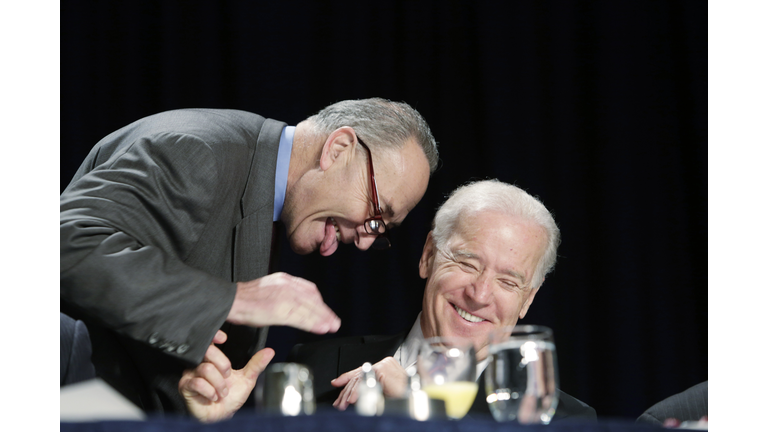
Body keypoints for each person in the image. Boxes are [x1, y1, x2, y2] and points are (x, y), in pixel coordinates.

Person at [60, 98, 439, 416]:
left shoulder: (259, 187)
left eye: (382, 230)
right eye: (377, 212)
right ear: (338, 149)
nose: (365, 241)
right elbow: (64, 243)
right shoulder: (201, 152)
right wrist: (234, 299)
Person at [181, 180, 595, 422]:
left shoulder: (565, 420)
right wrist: (209, 427)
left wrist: (421, 413)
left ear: (528, 300)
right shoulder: (317, 367)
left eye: (508, 281)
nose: (480, 294)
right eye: (467, 263)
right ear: (428, 256)